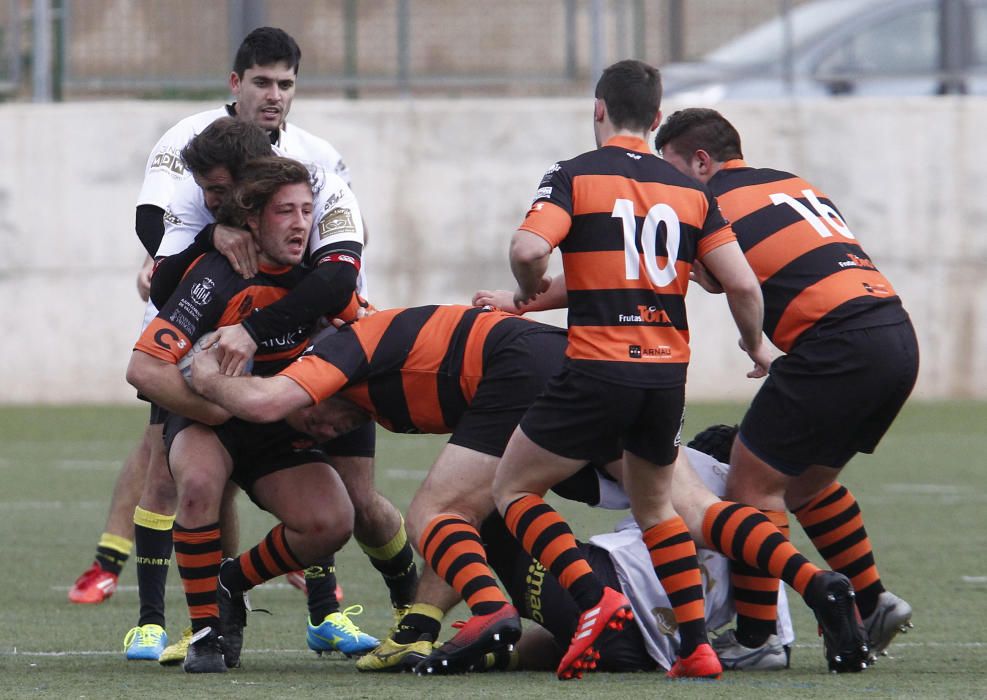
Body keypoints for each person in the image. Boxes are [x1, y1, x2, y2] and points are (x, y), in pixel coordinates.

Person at [189, 302, 863, 677]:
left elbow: (270, 402)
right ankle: (817, 584)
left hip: (524, 368)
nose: (318, 428)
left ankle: (493, 611)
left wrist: (203, 378)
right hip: (599, 359)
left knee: (443, 509)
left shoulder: (337, 352)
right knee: (689, 507)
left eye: (317, 417)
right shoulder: (370, 379)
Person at [482, 58, 770, 682]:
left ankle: (594, 597)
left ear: (598, 109)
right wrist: (756, 347)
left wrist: (527, 284)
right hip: (665, 378)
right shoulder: (692, 192)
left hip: (596, 369)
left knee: (512, 490)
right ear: (658, 118)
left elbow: (530, 248)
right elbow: (743, 285)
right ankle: (694, 646)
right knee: (657, 509)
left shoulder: (574, 175)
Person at [69, 26, 351, 613]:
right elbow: (155, 226)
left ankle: (323, 605)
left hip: (304, 333)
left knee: (353, 499)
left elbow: (346, 249)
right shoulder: (190, 141)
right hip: (196, 327)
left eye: (285, 83)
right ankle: (138, 587)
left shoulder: (315, 157)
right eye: (261, 82)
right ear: (236, 82)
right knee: (180, 468)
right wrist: (206, 240)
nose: (274, 94)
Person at [655, 107, 917, 672]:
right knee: (801, 485)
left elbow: (641, 274)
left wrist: (525, 300)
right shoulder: (790, 183)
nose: (668, 184)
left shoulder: (708, 201)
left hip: (836, 342)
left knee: (751, 485)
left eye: (672, 169)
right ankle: (872, 603)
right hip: (894, 334)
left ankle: (757, 637)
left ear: (701, 161)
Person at [124, 119, 390, 665]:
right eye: (286, 212)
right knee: (190, 482)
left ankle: (257, 589)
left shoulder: (321, 227)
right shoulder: (215, 265)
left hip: (279, 415)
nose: (299, 222)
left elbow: (360, 314)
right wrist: (225, 409)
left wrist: (316, 391)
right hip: (216, 413)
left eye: (304, 213)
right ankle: (197, 631)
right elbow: (146, 358)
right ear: (252, 212)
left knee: (340, 515)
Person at [479, 426, 796, 674]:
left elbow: (578, 484)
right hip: (642, 652)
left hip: (601, 585)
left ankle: (455, 617)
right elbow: (775, 646)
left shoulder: (690, 465)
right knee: (571, 636)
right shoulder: (764, 537)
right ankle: (497, 655)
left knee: (487, 500)